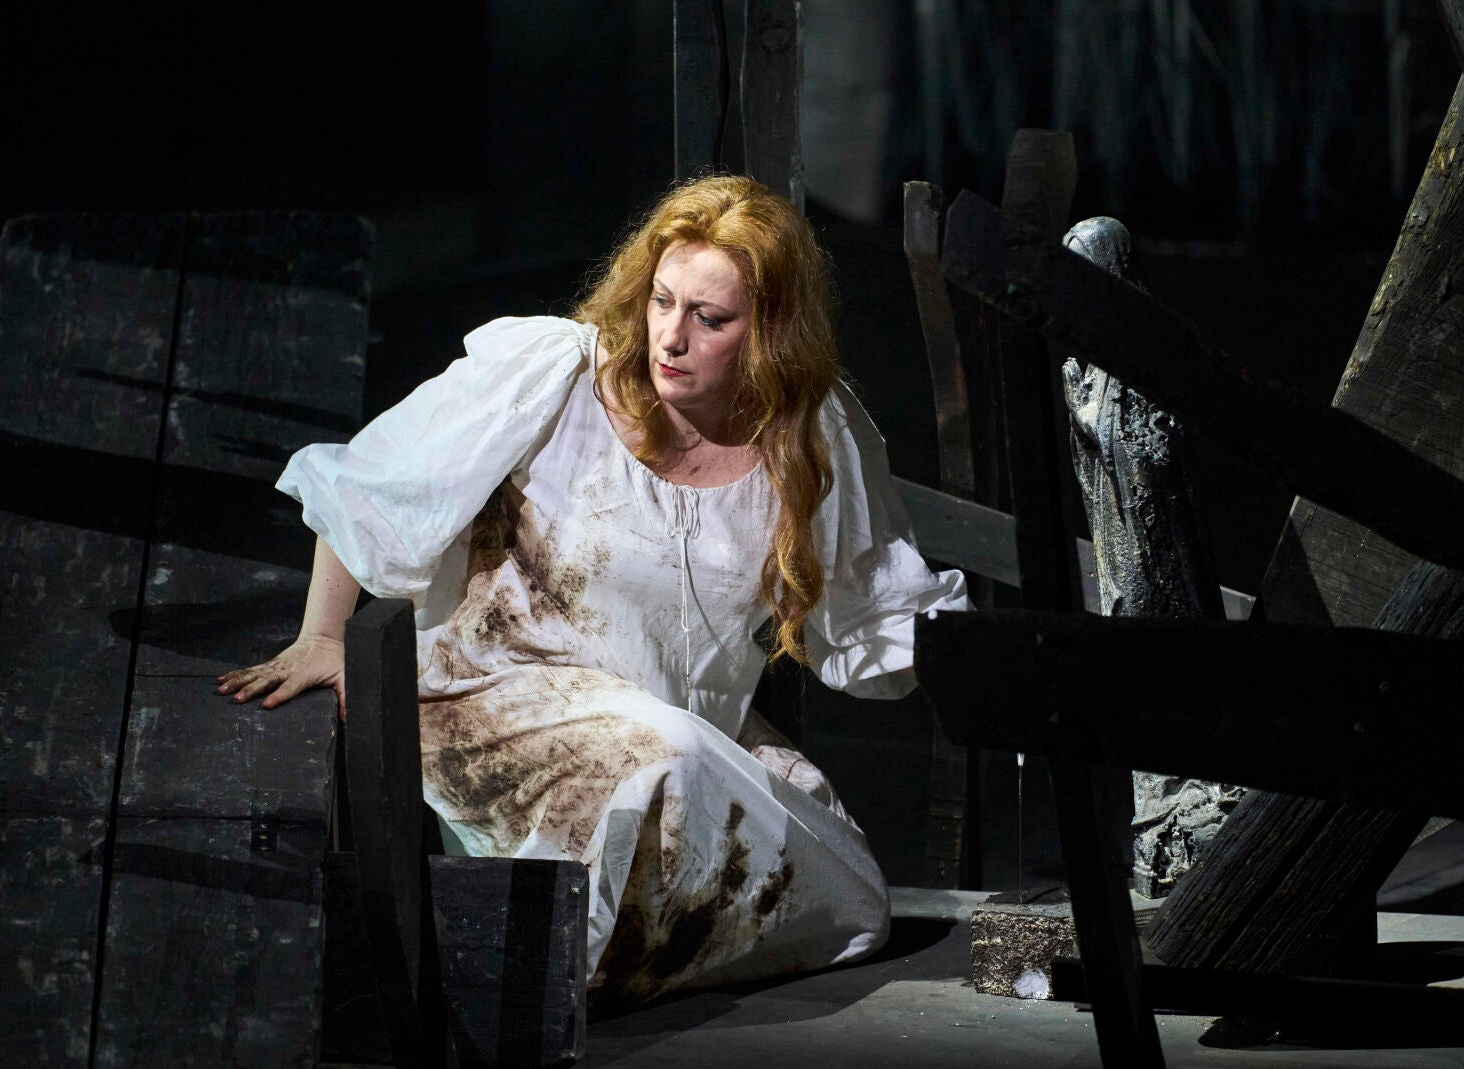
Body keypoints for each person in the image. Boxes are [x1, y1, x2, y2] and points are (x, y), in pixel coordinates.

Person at [216, 174, 970, 1003]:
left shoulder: (809, 437)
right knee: (668, 764)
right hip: (496, 703)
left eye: (709, 319)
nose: (670, 336)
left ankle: (585, 965)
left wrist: (990, 663)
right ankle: (525, 983)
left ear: (769, 336)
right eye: (662, 302)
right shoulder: (557, 376)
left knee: (850, 897)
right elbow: (374, 485)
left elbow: (878, 607)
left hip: (679, 730)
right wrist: (325, 635)